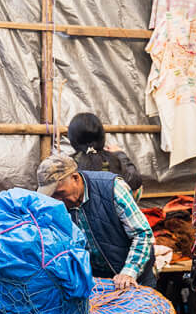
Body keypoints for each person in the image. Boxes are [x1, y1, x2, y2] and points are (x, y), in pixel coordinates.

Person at [37, 152, 155, 289]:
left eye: (60, 193)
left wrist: (129, 272)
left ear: (75, 178)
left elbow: (142, 234)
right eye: (52, 195)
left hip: (133, 277)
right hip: (96, 282)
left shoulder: (112, 187)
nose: (57, 200)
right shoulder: (57, 205)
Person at [66, 112, 142, 190]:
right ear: (101, 135)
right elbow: (135, 181)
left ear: (73, 138)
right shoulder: (113, 160)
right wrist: (120, 154)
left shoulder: (68, 164)